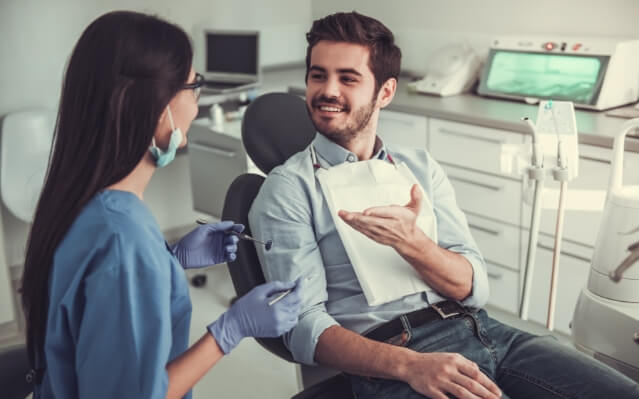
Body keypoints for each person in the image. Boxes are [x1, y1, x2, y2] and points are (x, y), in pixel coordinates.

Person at [249, 11, 639, 399]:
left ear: (385, 92)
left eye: (347, 78)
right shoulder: (288, 190)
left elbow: (473, 286)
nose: (327, 90)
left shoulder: (419, 166)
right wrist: (410, 365)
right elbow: (302, 329)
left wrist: (412, 243)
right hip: (396, 353)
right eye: (318, 75)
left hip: (484, 331)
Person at [20, 11, 302, 399]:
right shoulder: (124, 239)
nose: (198, 99)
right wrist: (232, 328)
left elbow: (94, 299)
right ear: (158, 109)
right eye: (193, 84)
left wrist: (170, 259)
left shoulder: (82, 202)